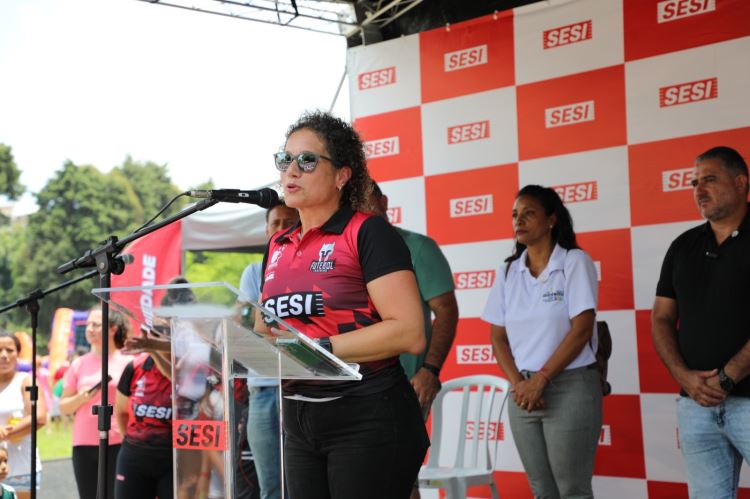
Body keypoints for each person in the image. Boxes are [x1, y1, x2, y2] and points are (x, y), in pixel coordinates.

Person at [254, 110, 429, 499]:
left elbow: (410, 331)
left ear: (342, 175)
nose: (291, 171)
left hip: (368, 417)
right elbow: (264, 329)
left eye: (307, 160)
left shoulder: (366, 232)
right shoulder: (277, 246)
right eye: (285, 160)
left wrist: (319, 350)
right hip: (298, 418)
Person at [481, 185, 601, 499]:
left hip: (569, 385)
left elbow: (582, 330)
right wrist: (519, 383)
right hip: (522, 391)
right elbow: (498, 337)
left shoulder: (575, 261)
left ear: (551, 220)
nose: (519, 221)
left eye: (529, 213)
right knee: (542, 491)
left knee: (572, 491)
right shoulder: (508, 270)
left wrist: (542, 379)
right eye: (515, 215)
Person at [652, 146, 750, 498]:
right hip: (696, 405)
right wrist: (685, 378)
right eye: (694, 183)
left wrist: (728, 377)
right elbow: (662, 318)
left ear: (740, 183)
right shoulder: (682, 246)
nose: (699, 189)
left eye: (709, 179)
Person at [370, 182, 458, 498]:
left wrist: (430, 370)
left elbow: (446, 311)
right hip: (356, 387)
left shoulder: (417, 247)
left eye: (367, 202)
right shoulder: (346, 252)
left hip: (406, 386)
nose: (361, 212)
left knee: (400, 481)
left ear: (383, 202)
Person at [239, 199, 299, 499]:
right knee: (270, 488)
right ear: (266, 230)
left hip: (301, 387)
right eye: (275, 223)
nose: (281, 229)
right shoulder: (254, 271)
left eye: (289, 223)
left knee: (303, 484)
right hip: (262, 390)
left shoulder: (312, 267)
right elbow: (246, 318)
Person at [60, 306, 132, 499]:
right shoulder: (79, 363)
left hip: (119, 440)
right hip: (84, 443)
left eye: (96, 324)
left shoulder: (129, 362)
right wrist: (80, 398)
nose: (89, 329)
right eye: (88, 324)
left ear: (113, 329)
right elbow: (63, 406)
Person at [0, 332, 45, 499]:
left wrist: (6, 433)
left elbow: (39, 417)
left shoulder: (26, 381)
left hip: (21, 470)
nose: (4, 355)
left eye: (9, 350)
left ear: (18, 354)